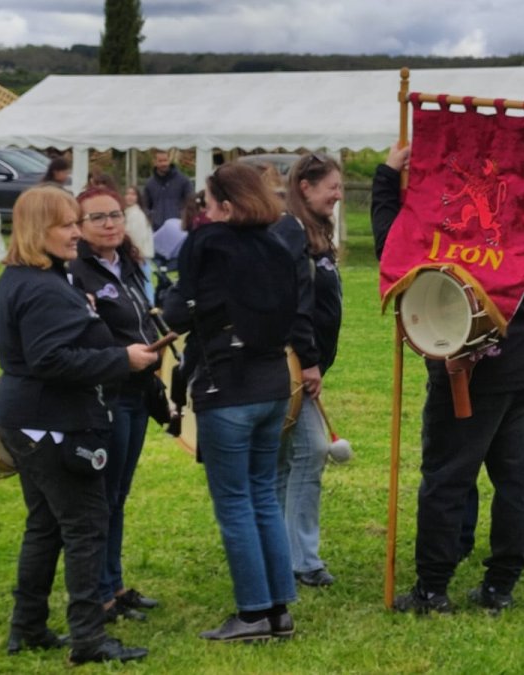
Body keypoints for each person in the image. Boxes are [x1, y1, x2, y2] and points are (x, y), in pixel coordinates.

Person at [372, 143, 524, 614]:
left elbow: (392, 255)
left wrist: (386, 180)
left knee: (447, 479)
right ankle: (500, 588)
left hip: (471, 373)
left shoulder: (457, 217)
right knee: (516, 480)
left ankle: (432, 590)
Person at [0, 185, 155, 664]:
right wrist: (121, 359)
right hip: (51, 424)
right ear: (39, 230)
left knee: (45, 525)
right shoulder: (41, 287)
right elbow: (51, 360)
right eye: (66, 225)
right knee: (85, 525)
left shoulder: (25, 277)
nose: (74, 234)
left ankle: (29, 626)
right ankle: (88, 639)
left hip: (27, 417)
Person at [161, 162, 298, 643]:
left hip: (228, 387)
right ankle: (278, 610)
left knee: (236, 502)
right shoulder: (279, 242)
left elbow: (178, 309)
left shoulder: (209, 242)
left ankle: (254, 611)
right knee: (262, 495)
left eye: (208, 200)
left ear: (225, 204)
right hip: (274, 382)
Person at [67, 186, 163, 624]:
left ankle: (116, 584)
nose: (109, 224)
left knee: (118, 495)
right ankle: (101, 594)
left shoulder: (128, 265)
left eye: (115, 216)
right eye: (97, 218)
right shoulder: (76, 273)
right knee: (103, 498)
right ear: (79, 227)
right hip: (107, 395)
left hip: (139, 391)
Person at [272, 152, 344, 587]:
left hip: (304, 365)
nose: (338, 194)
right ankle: (303, 560)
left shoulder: (312, 231)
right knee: (311, 449)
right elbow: (294, 303)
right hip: (292, 366)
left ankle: (283, 552)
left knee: (285, 458)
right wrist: (309, 362)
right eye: (332, 186)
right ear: (306, 187)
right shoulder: (290, 231)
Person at [143, 149, 193, 232]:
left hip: (179, 228)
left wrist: (183, 218)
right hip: (156, 229)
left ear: (169, 160)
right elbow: (144, 206)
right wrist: (152, 217)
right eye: (160, 161)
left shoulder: (183, 180)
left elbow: (191, 202)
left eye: (165, 160)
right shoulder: (149, 184)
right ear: (155, 162)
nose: (163, 164)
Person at [122, 185, 156, 302]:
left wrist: (136, 253)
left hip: (138, 255)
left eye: (133, 194)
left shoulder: (136, 215)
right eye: (127, 194)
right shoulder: (130, 212)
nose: (129, 197)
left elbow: (136, 237)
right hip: (139, 255)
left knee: (144, 283)